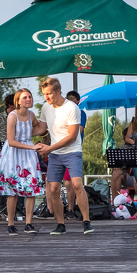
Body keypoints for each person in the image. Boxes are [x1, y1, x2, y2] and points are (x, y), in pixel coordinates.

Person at [34, 78, 93, 235]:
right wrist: (21, 131)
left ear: (58, 91)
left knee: (76, 185)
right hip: (55, 153)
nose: (46, 97)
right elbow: (41, 127)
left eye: (49, 94)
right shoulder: (46, 107)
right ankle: (61, 224)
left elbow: (73, 136)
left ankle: (86, 221)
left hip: (72, 151)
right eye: (44, 94)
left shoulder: (72, 108)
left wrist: (49, 148)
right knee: (53, 189)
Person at [0, 88, 43, 235]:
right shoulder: (12, 116)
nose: (28, 99)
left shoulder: (31, 115)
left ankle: (28, 223)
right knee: (13, 191)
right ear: (18, 101)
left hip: (28, 153)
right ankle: (11, 224)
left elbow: (37, 128)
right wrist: (31, 146)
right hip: (13, 153)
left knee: (32, 188)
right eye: (24, 97)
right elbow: (11, 141)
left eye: (30, 97)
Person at [63, 90, 87, 219]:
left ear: (78, 101)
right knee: (54, 183)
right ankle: (52, 209)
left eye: (73, 99)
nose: (71, 101)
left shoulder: (81, 114)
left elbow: (78, 131)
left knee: (72, 183)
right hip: (58, 150)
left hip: (72, 151)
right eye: (68, 99)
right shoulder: (62, 114)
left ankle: (71, 209)